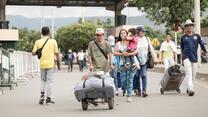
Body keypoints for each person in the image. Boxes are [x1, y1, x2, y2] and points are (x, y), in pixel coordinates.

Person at [32, 27, 60, 105]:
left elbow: (33, 53)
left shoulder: (37, 42)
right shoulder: (53, 41)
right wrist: (58, 63)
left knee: (43, 80)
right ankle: (48, 98)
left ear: (42, 33)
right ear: (49, 33)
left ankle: (42, 96)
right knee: (50, 82)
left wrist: (39, 51)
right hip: (50, 64)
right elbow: (57, 53)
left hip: (42, 64)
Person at [181, 19, 208, 96]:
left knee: (193, 75)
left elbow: (202, 45)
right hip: (186, 57)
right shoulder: (183, 37)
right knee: (189, 73)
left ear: (192, 27)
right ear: (185, 27)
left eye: (190, 25)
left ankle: (189, 87)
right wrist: (182, 59)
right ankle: (191, 89)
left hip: (194, 58)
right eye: (187, 26)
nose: (189, 27)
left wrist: (206, 52)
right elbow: (182, 48)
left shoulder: (197, 36)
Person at [114, 29, 137, 102]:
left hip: (131, 63)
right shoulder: (118, 43)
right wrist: (122, 54)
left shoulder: (130, 42)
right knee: (123, 80)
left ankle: (129, 95)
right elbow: (114, 53)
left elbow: (136, 50)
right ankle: (126, 89)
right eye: (121, 33)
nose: (123, 34)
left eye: (124, 33)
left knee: (130, 79)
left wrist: (129, 54)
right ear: (120, 35)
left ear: (127, 34)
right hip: (122, 63)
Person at [133, 26, 157, 97]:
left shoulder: (147, 39)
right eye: (142, 31)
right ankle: (138, 90)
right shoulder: (134, 39)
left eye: (144, 31)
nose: (144, 33)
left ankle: (144, 91)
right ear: (138, 32)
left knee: (144, 75)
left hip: (145, 59)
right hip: (136, 60)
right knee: (137, 76)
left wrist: (155, 59)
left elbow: (151, 49)